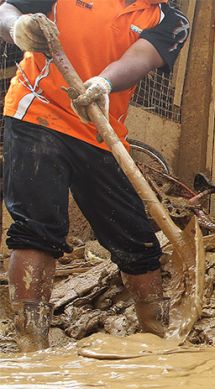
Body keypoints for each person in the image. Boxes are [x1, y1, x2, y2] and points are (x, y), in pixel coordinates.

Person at [0, 0, 190, 351]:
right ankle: (32, 345)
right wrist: (18, 28)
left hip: (100, 129)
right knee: (38, 227)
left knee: (136, 237)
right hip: (38, 112)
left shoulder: (171, 19)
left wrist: (104, 81)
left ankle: (159, 336)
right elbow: (5, 10)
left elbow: (140, 58)